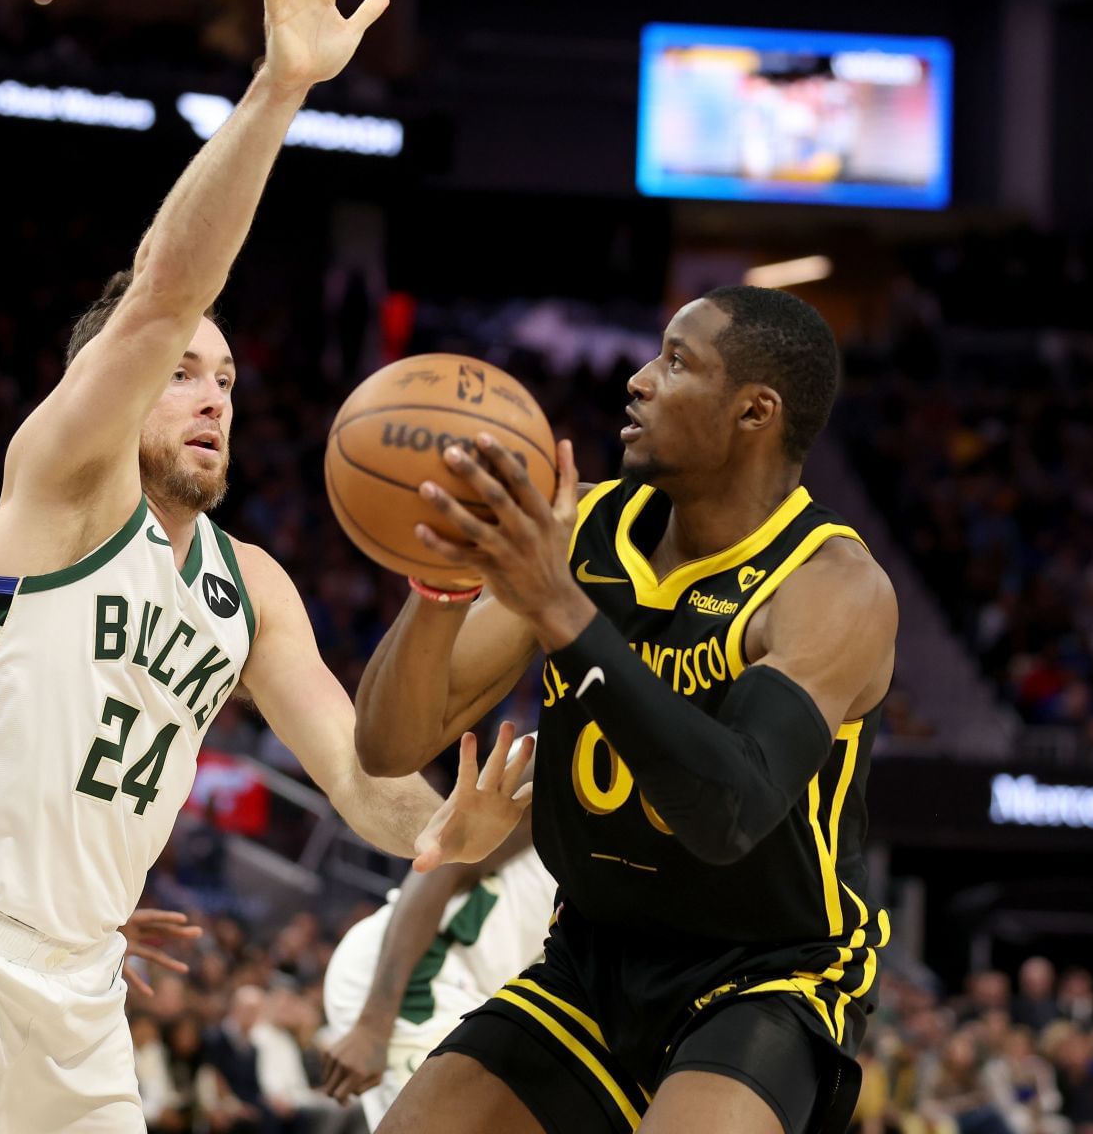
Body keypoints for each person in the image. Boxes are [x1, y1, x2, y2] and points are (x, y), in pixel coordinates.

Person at [0, 0, 531, 1133]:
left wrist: (442, 823)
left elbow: (364, 786)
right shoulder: (63, 482)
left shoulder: (249, 586)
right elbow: (162, 290)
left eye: (228, 380)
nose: (212, 394)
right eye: (184, 372)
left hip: (85, 990)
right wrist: (277, 90)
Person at [354, 285, 900, 1134]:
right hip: (594, 957)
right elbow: (390, 744)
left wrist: (562, 611)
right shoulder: (584, 529)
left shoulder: (832, 586)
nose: (639, 380)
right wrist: (444, 582)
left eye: (677, 362)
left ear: (754, 411)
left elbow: (731, 812)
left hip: (767, 973)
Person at [320, 815, 555, 1127]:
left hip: (481, 1000)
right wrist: (373, 1024)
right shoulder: (559, 769)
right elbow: (443, 861)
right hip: (421, 976)